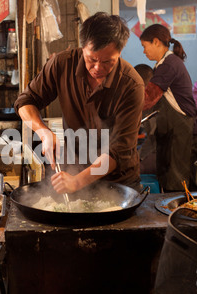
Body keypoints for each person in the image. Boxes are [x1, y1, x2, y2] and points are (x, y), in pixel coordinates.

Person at [14, 12, 145, 193]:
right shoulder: (62, 64)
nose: (98, 68)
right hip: (73, 171)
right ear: (83, 47)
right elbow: (25, 102)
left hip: (119, 182)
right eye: (92, 59)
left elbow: (119, 151)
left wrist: (77, 182)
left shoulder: (131, 85)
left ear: (120, 52)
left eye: (108, 62)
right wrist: (42, 131)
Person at [139, 24, 197, 192]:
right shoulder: (163, 65)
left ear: (156, 42)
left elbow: (147, 99)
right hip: (175, 133)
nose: (144, 52)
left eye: (145, 47)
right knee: (178, 182)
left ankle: (180, 217)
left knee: (179, 185)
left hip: (185, 133)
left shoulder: (169, 64)